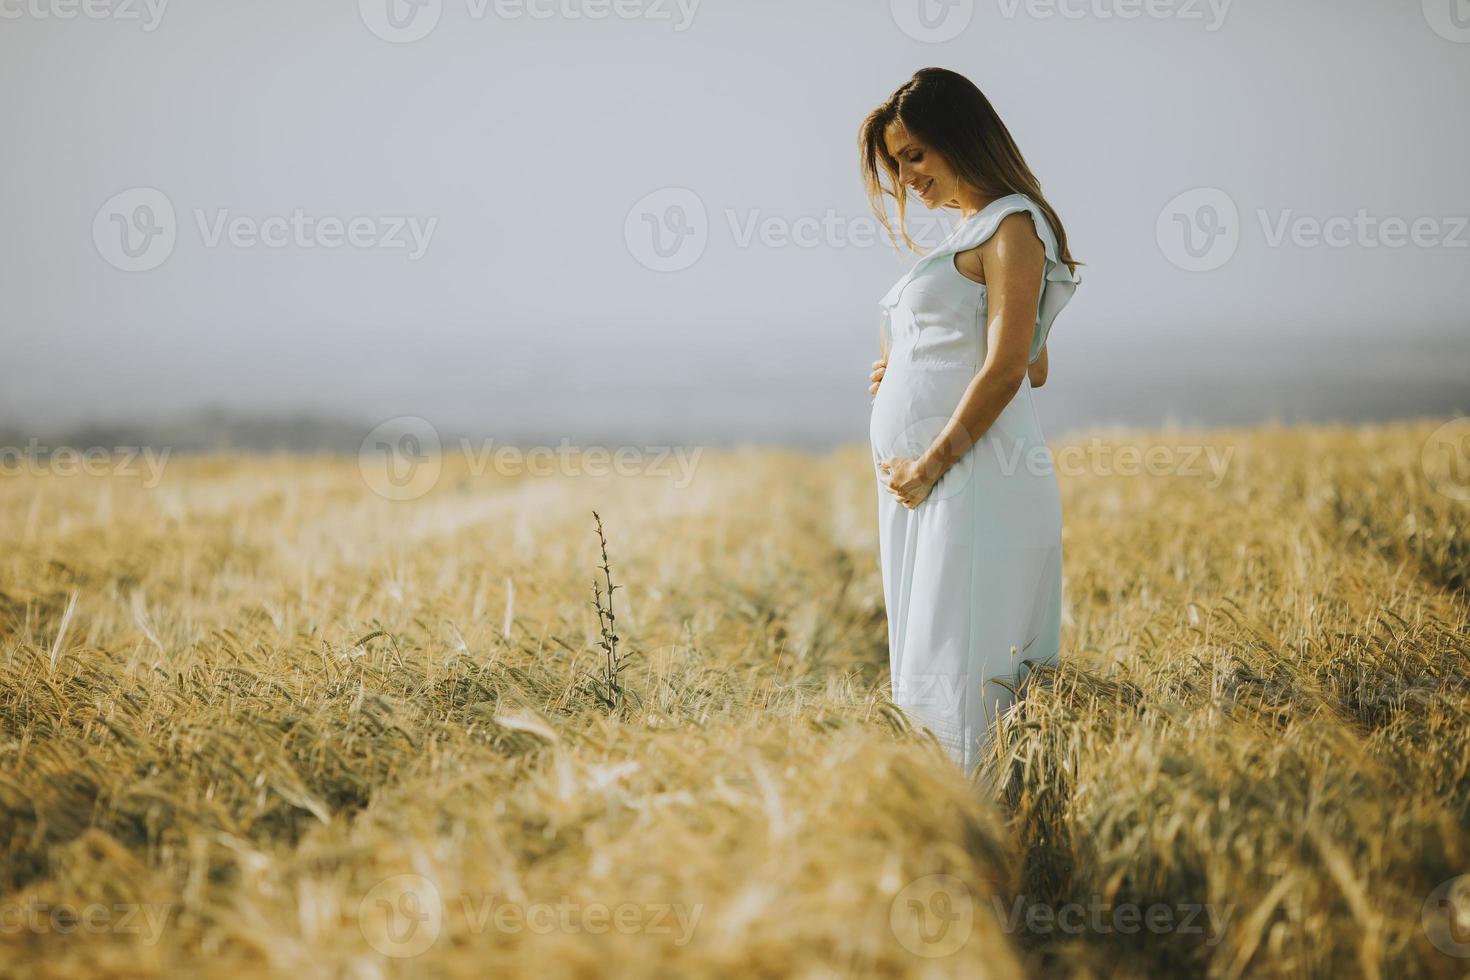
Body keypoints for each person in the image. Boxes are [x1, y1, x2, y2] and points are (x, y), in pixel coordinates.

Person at [858, 67, 1082, 775]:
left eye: (915, 154)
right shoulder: (968, 231)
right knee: (927, 661)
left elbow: (1015, 366)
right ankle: (946, 836)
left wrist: (927, 466)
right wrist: (902, 367)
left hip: (969, 476)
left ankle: (984, 845)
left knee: (963, 663)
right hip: (925, 486)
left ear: (961, 138)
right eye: (897, 164)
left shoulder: (1013, 224)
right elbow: (1020, 355)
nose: (907, 177)